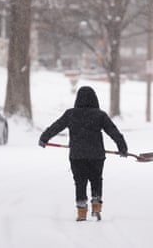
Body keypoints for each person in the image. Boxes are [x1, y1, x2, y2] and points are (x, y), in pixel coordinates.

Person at [39, 86, 128, 222]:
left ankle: (81, 212)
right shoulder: (100, 115)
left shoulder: (71, 114)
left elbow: (56, 126)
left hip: (77, 155)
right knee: (96, 179)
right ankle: (96, 205)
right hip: (96, 155)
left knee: (80, 182)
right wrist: (122, 147)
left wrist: (44, 138)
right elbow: (113, 131)